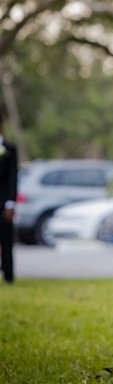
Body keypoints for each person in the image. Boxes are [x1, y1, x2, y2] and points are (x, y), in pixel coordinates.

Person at [0, 112, 18, 285]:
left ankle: (8, 275)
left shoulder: (9, 149)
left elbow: (13, 178)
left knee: (6, 240)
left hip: (3, 202)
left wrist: (11, 203)